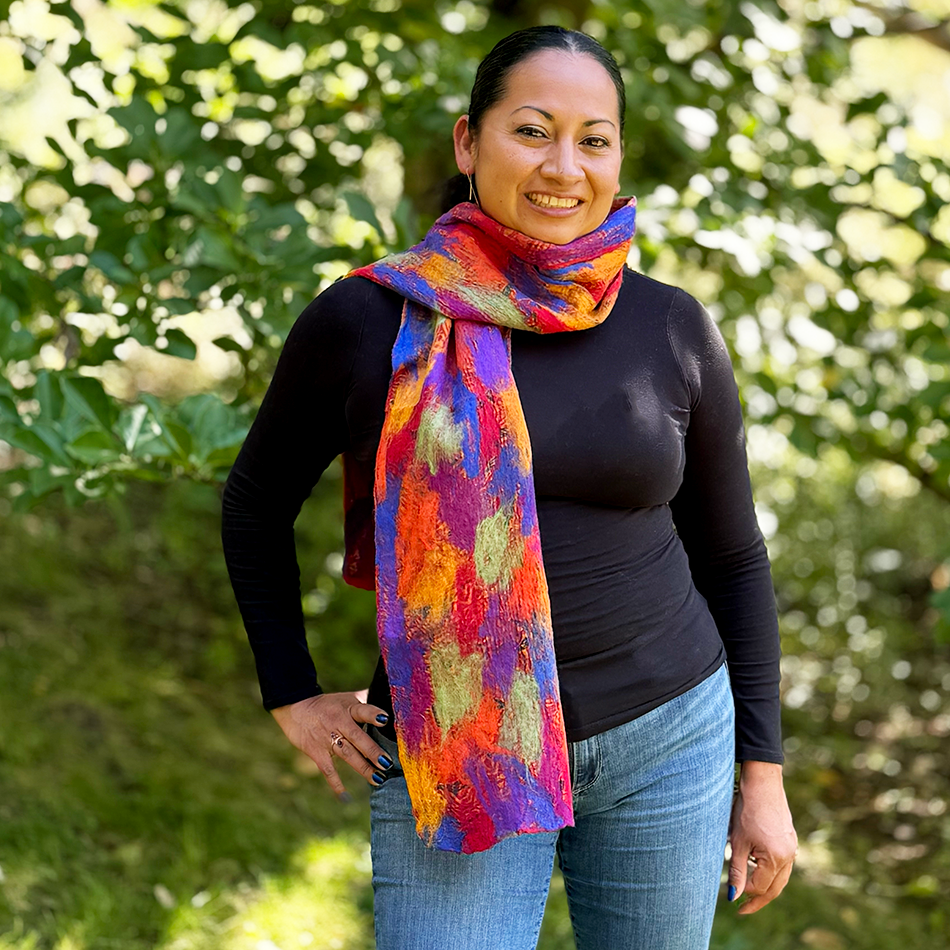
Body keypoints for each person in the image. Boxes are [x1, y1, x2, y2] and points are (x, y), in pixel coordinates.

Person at [221, 25, 797, 950]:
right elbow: (255, 502)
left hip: (670, 738)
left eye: (593, 139)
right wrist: (291, 689)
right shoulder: (367, 319)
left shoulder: (670, 327)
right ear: (467, 142)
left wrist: (761, 776)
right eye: (532, 130)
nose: (564, 167)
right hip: (455, 743)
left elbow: (731, 554)